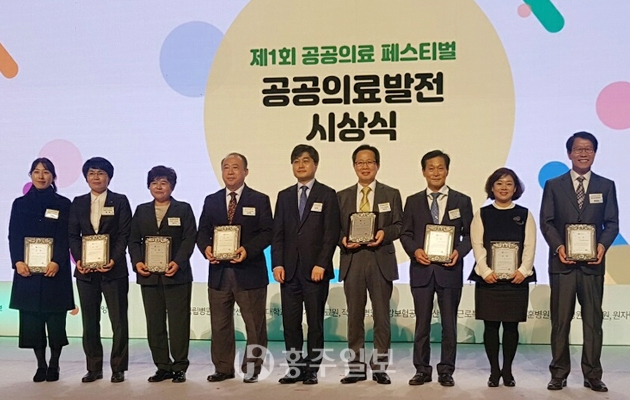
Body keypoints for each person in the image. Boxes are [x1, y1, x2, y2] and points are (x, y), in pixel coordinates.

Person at [540, 131, 618, 392]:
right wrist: (559, 247)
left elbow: (612, 223)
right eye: (578, 149)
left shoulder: (606, 186)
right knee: (561, 321)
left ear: (594, 153)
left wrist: (601, 246)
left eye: (588, 149)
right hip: (562, 265)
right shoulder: (554, 185)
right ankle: (559, 373)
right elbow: (547, 222)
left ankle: (592, 374)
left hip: (593, 266)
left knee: (593, 321)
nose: (583, 154)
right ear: (569, 153)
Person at [197, 153, 273, 384]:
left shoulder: (259, 199)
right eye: (226, 167)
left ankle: (252, 368)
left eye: (235, 167)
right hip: (219, 274)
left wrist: (247, 250)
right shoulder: (211, 200)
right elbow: (202, 232)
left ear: (245, 172)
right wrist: (206, 248)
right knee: (220, 325)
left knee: (254, 326)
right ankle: (223, 368)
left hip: (249, 273)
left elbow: (267, 233)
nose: (230, 172)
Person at [400, 150, 473, 387]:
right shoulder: (412, 201)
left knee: (448, 324)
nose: (436, 172)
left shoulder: (462, 201)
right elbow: (405, 234)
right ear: (423, 172)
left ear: (447, 170)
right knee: (422, 323)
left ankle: (446, 370)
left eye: (440, 167)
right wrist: (415, 251)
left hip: (449, 271)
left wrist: (458, 252)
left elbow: (470, 235)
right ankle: (422, 369)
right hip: (421, 271)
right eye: (430, 168)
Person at [272, 144, 340, 385]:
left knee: (314, 324)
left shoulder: (327, 194)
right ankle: (295, 368)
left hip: (315, 272)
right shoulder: (284, 196)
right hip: (288, 272)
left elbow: (331, 233)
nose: (300, 165)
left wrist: (322, 263)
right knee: (290, 324)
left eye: (306, 160)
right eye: (296, 161)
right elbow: (277, 234)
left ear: (315, 165)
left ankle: (312, 369)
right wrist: (277, 264)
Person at [336, 144, 402, 385]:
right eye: (360, 162)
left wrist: (385, 233)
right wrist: (343, 239)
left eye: (369, 162)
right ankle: (356, 367)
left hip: (380, 259)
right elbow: (334, 229)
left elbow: (399, 225)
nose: (365, 167)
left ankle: (380, 367)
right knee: (354, 317)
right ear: (354, 166)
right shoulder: (341, 196)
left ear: (378, 165)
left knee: (381, 317)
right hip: (353, 259)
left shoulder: (391, 193)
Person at [467, 168, 536, 387]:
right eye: (499, 183)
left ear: (515, 188)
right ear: (492, 187)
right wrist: (485, 271)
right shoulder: (482, 214)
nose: (504, 187)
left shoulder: (525, 214)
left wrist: (523, 270)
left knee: (511, 327)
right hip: (489, 280)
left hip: (516, 280)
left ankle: (507, 370)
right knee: (490, 327)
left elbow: (530, 246)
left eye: (509, 183)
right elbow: (477, 245)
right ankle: (494, 371)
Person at [128, 166, 197, 383]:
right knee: (155, 323)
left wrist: (178, 262)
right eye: (154, 182)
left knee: (178, 323)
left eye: (164, 182)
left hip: (176, 276)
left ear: (172, 186)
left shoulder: (183, 209)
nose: (159, 187)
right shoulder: (141, 210)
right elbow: (133, 240)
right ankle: (162, 366)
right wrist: (137, 262)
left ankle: (179, 366)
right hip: (149, 276)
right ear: (149, 186)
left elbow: (189, 239)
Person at [8, 158, 74, 382]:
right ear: (31, 175)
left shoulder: (63, 204)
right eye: (36, 172)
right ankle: (41, 365)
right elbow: (14, 235)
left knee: (55, 322)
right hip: (27, 272)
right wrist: (17, 261)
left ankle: (54, 364)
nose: (41, 176)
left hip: (55, 271)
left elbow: (66, 236)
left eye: (46, 172)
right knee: (33, 322)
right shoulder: (20, 203)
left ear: (53, 177)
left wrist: (57, 261)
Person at [68, 157, 132, 383]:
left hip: (114, 271)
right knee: (90, 321)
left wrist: (113, 259)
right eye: (92, 173)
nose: (96, 177)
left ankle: (118, 368)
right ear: (86, 177)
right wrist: (79, 259)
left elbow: (124, 234)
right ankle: (93, 367)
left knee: (119, 321)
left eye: (101, 173)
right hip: (86, 274)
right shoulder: (78, 202)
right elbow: (72, 235)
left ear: (109, 177)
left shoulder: (120, 201)